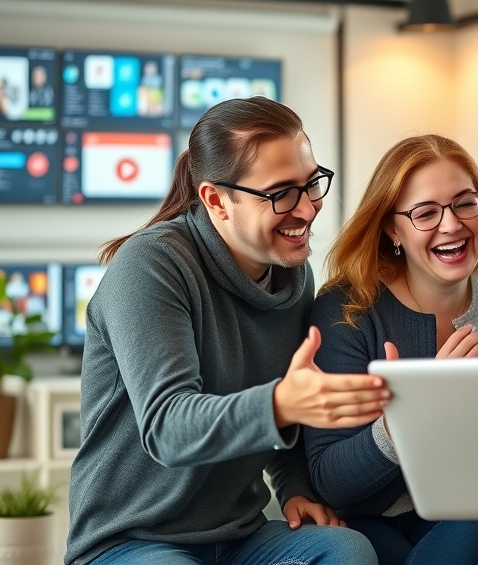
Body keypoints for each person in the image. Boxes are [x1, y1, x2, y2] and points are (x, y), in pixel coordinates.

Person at [65, 97, 387, 565]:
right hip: (132, 541)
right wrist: (280, 403)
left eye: (310, 183)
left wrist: (295, 487)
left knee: (347, 551)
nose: (306, 210)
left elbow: (283, 412)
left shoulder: (293, 279)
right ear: (216, 200)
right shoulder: (151, 266)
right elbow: (167, 427)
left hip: (240, 538)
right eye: (281, 193)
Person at [304, 134, 478, 565]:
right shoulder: (346, 311)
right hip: (369, 521)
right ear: (392, 228)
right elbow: (330, 481)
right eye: (425, 212)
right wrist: (420, 406)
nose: (452, 224)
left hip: (472, 517)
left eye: (465, 202)